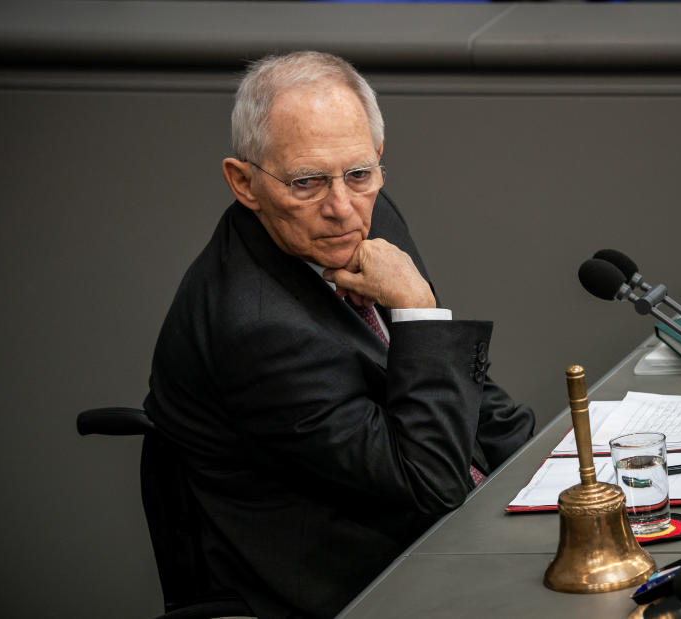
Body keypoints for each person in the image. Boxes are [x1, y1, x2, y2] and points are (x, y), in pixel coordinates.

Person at [143, 51, 535, 619]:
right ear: (244, 183)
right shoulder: (256, 329)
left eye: (359, 173)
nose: (341, 208)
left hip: (434, 513)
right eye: (305, 182)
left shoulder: (366, 209)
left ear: (377, 158)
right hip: (365, 577)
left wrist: (548, 470)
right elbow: (429, 486)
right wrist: (418, 310)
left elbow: (457, 389)